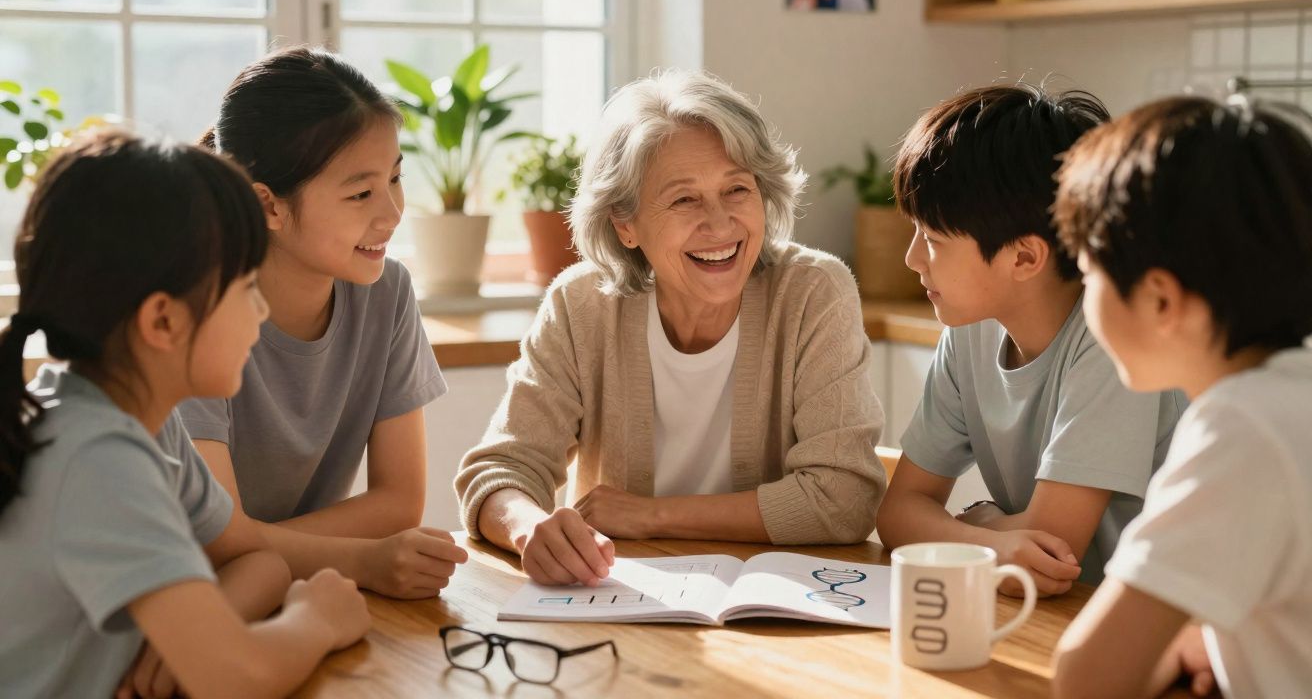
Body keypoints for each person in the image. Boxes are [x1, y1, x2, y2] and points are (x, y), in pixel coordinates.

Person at [456, 70, 886, 586]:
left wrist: (650, 515)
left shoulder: (813, 293)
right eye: (685, 199)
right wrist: (530, 529)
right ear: (625, 223)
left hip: (773, 604)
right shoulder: (580, 304)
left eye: (737, 189)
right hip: (617, 596)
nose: (720, 224)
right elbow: (499, 471)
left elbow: (844, 499)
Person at [0, 132, 370, 698]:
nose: (262, 310)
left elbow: (254, 556)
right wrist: (318, 618)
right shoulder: (98, 459)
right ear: (163, 322)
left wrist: (199, 633)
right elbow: (239, 678)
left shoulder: (142, 425)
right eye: (247, 286)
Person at [875, 83, 1188, 596]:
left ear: (1023, 257)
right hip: (1054, 611)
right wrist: (993, 543)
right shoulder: (970, 329)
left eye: (932, 240)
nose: (912, 259)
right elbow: (897, 514)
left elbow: (1052, 554)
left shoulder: (1112, 342)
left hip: (1148, 616)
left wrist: (976, 525)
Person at [182, 46, 466, 600]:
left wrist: (258, 548)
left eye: (395, 179)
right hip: (184, 605)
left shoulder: (386, 291)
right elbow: (216, 540)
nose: (392, 213)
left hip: (287, 592)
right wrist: (361, 560)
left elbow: (399, 503)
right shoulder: (196, 309)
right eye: (361, 193)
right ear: (268, 206)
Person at [1051, 96, 1312, 699]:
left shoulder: (1240, 428)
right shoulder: (1290, 398)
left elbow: (1085, 679)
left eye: (1088, 276)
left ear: (1160, 300)